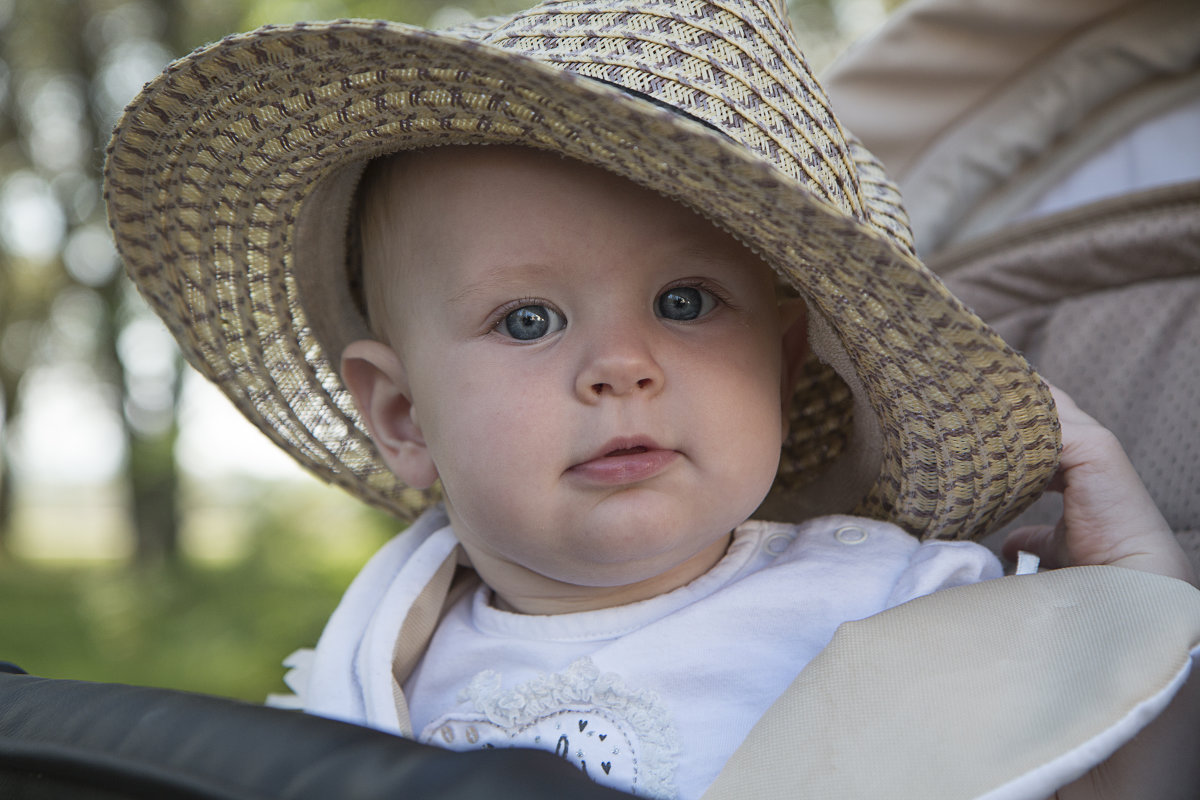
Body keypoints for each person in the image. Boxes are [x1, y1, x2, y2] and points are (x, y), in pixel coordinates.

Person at [101, 0, 1197, 797]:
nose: (621, 364)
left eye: (686, 299)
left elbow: (1099, 763)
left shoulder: (898, 602)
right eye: (527, 319)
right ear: (401, 416)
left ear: (784, 360)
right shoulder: (375, 663)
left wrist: (1136, 594)